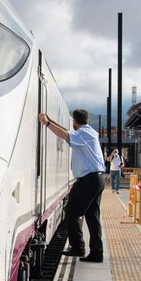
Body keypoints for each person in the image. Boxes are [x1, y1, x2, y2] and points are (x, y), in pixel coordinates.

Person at [39, 109, 106, 263]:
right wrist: (50, 121)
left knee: (71, 212)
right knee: (92, 217)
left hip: (88, 180)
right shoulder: (89, 133)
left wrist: (47, 123)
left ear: (75, 121)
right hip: (97, 179)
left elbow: (66, 135)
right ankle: (97, 253)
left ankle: (77, 247)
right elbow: (68, 132)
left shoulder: (83, 134)